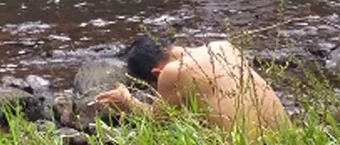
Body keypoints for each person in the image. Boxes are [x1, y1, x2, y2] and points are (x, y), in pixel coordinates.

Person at [95, 35, 292, 139]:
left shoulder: (172, 72)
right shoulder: (223, 46)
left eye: (154, 87)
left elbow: (157, 120)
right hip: (289, 139)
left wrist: (127, 102)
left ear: (156, 73)